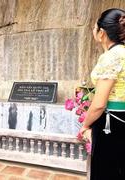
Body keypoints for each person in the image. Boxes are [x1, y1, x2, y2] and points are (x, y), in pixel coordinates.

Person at [79, 8, 125, 180]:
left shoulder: (111, 57)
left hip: (111, 124)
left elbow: (99, 104)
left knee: (106, 172)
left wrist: (85, 125)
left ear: (102, 33)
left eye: (95, 28)